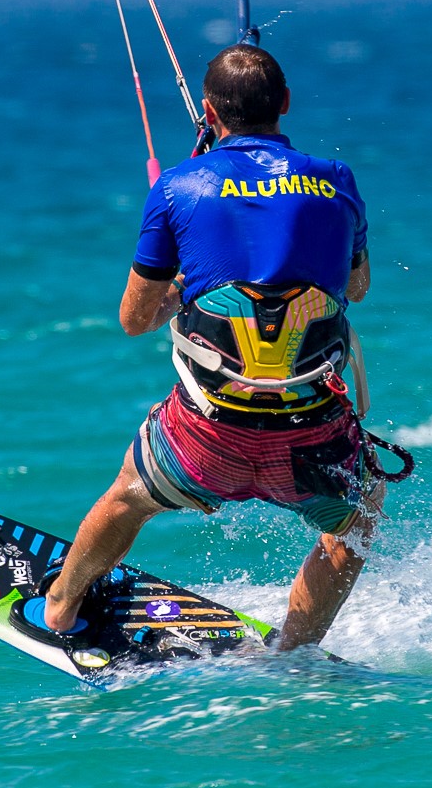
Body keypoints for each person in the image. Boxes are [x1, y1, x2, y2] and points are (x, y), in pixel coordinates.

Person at [36, 44, 383, 652]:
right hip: (309, 444)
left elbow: (135, 320)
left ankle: (61, 608)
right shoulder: (338, 181)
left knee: (129, 497)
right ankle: (295, 653)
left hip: (203, 445)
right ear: (286, 104)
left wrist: (182, 287)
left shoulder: (177, 187)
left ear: (208, 111)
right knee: (359, 519)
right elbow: (356, 287)